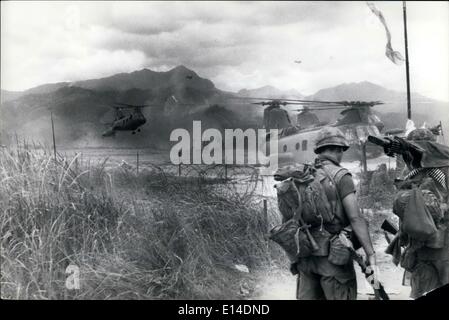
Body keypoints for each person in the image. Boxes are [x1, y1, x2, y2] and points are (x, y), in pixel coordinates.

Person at [294, 126, 378, 300]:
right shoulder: (342, 176)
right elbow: (355, 217)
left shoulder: (302, 175)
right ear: (339, 150)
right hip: (334, 258)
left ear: (319, 150)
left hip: (306, 255)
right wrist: (370, 253)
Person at [390, 128, 449, 299]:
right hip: (421, 246)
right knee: (421, 288)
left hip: (440, 245)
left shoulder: (442, 171)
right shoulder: (410, 172)